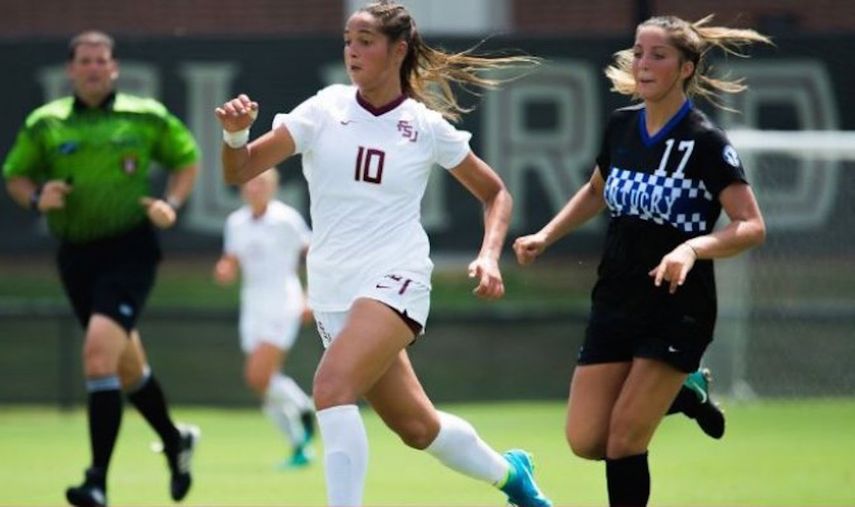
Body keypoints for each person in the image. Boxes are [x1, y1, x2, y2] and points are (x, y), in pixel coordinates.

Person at [215, 1, 551, 506]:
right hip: (332, 288)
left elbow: (494, 192)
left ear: (398, 51)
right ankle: (512, 476)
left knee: (329, 389)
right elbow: (238, 171)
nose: (352, 50)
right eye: (349, 39)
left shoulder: (425, 125)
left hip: (397, 277)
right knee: (418, 428)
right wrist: (235, 134)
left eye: (366, 41)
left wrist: (488, 253)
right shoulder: (323, 109)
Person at [513, 15, 769, 506]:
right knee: (586, 440)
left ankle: (673, 385)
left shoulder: (706, 142)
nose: (643, 64)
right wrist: (545, 235)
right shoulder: (621, 126)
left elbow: (751, 226)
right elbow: (596, 191)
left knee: (624, 442)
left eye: (658, 55)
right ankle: (685, 394)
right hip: (616, 297)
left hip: (677, 306)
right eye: (638, 52)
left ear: (686, 68)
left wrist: (692, 247)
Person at [2, 31, 201, 507]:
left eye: (101, 61)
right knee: (126, 368)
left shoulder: (144, 116)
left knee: (96, 355)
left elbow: (186, 160)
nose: (93, 68)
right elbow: (15, 175)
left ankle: (96, 482)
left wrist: (171, 204)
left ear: (114, 68)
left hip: (130, 250)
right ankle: (176, 441)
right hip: (76, 255)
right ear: (71, 70)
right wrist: (35, 196)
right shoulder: (45, 124)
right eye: (85, 61)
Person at [213, 168, 316, 468]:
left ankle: (303, 407)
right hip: (252, 307)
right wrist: (225, 269)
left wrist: (310, 296)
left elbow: (313, 254)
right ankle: (299, 445)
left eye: (261, 183)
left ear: (272, 187)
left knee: (257, 376)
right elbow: (230, 260)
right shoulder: (236, 222)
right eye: (249, 183)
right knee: (263, 384)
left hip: (283, 303)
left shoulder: (286, 219)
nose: (254, 189)